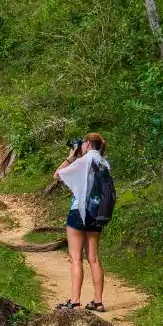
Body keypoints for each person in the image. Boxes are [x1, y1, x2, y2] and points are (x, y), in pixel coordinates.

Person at [53, 133, 109, 312]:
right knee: (94, 258)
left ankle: (75, 301)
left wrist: (71, 155)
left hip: (79, 212)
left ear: (87, 143)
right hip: (96, 213)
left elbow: (57, 175)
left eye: (84, 143)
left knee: (76, 258)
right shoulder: (105, 163)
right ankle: (98, 301)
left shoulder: (82, 162)